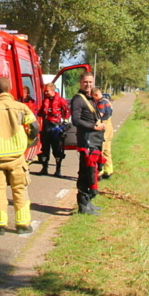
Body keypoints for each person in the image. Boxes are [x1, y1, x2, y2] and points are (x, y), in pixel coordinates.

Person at [0, 77, 39, 235]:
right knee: (19, 191)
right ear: (10, 88)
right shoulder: (21, 107)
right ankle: (23, 225)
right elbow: (35, 127)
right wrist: (30, 141)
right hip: (17, 158)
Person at [70, 72, 105, 215]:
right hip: (86, 141)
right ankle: (83, 206)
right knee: (85, 173)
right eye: (85, 82)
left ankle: (88, 202)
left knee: (91, 172)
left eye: (90, 82)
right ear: (80, 82)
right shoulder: (78, 99)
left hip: (94, 140)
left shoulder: (90, 98)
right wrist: (93, 127)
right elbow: (75, 120)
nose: (88, 85)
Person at [37, 83, 70, 176]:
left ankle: (58, 170)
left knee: (57, 150)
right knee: (45, 149)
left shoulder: (61, 100)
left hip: (56, 127)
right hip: (46, 127)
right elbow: (41, 112)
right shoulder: (45, 101)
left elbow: (67, 112)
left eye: (47, 91)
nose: (46, 92)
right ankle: (44, 168)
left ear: (53, 90)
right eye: (45, 91)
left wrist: (65, 123)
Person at [92, 88, 113, 180]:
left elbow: (99, 116)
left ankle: (99, 171)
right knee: (107, 150)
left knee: (100, 148)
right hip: (109, 125)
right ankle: (108, 170)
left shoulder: (101, 103)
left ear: (95, 95)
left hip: (104, 126)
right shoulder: (106, 100)